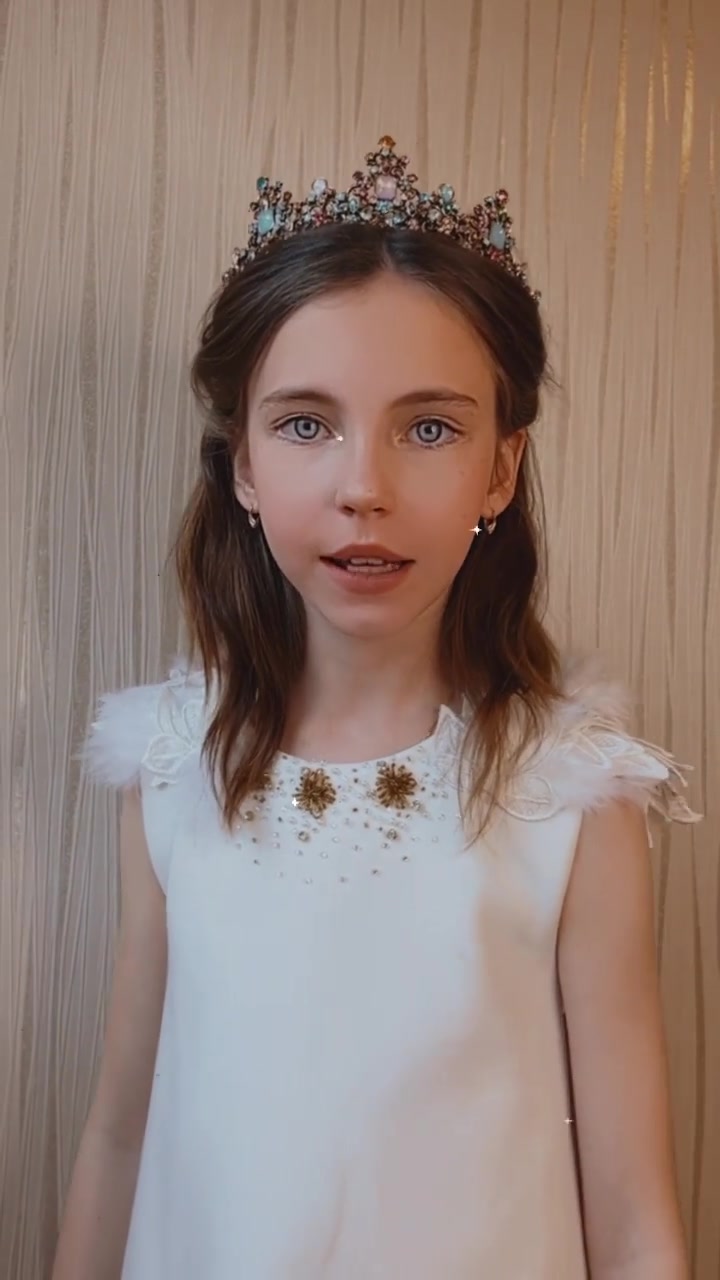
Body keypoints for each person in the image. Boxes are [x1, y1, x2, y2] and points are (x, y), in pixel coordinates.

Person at [53, 137, 702, 1279]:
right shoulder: (170, 764)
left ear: (501, 468)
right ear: (243, 465)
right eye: (306, 424)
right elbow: (120, 1134)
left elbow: (633, 1208)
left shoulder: (568, 790)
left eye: (430, 428)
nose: (365, 487)